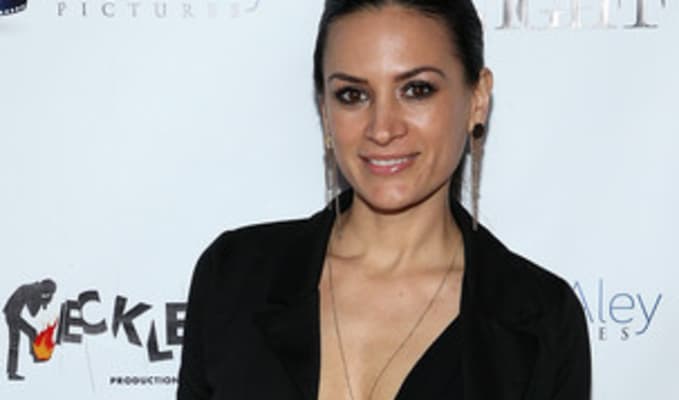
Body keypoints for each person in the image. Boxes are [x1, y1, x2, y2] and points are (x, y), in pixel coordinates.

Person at [177, 1, 591, 399]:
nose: (382, 129)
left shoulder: (538, 321)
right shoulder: (234, 275)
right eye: (353, 95)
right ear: (325, 111)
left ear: (477, 100)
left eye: (416, 90)